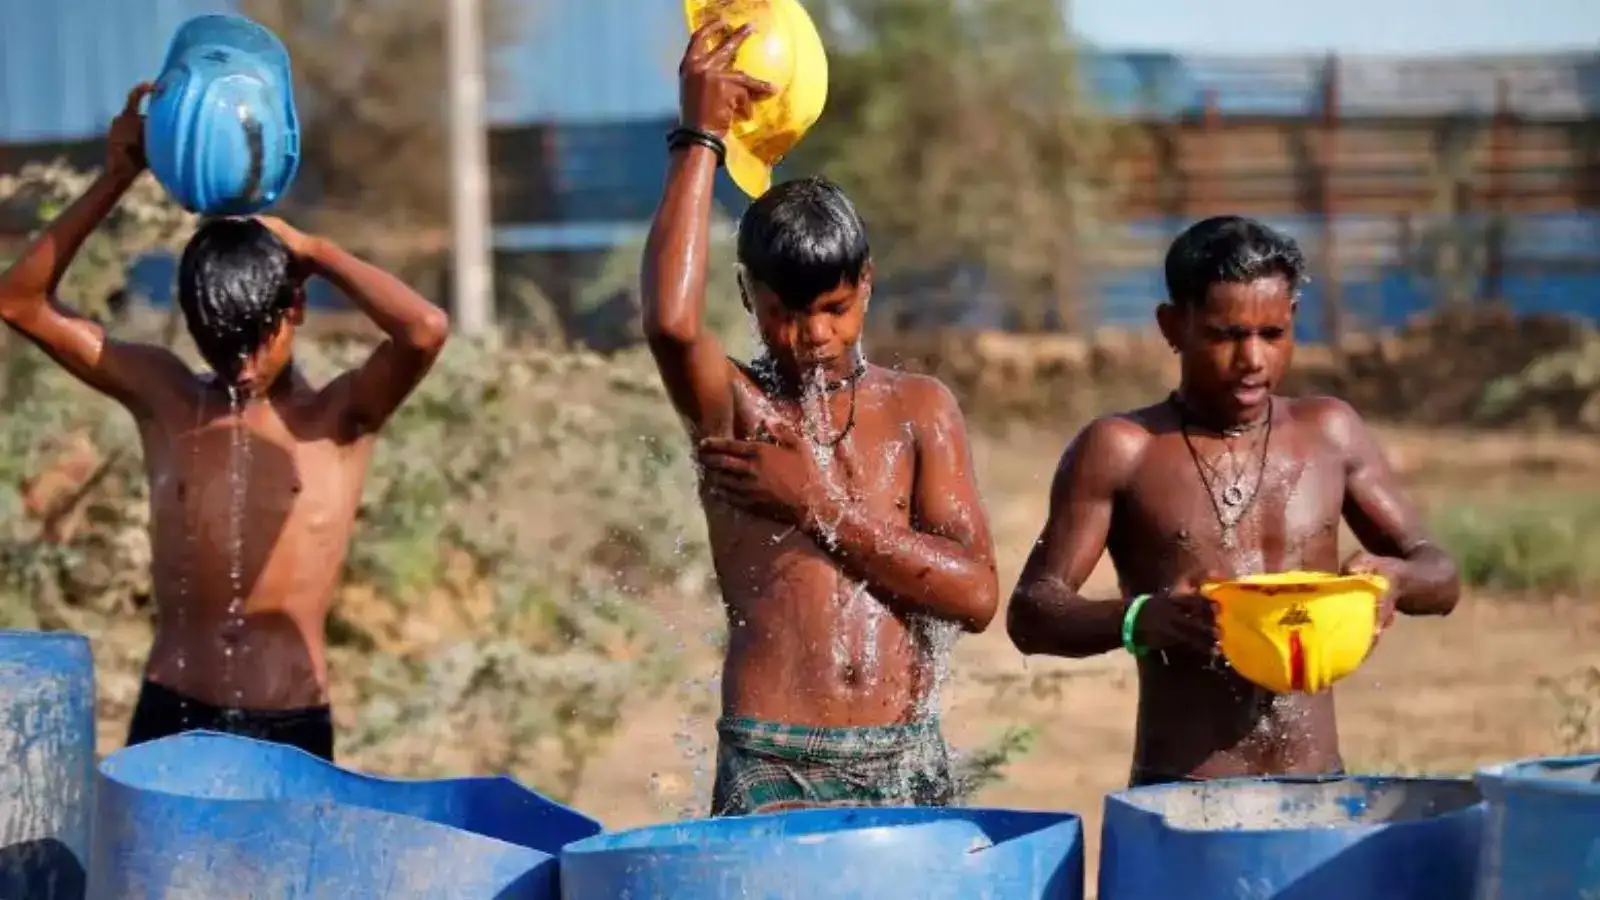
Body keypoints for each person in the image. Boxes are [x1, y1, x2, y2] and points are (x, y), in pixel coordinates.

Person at [0, 85, 450, 761]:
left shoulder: (342, 418)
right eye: (216, 342)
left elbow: (424, 329)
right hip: (172, 710)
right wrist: (118, 174)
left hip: (291, 724)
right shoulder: (165, 396)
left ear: (294, 308)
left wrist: (314, 249)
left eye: (252, 341)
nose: (236, 364)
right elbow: (20, 301)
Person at [646, 25, 1000, 816]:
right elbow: (669, 324)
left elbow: (976, 597)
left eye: (835, 309)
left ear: (866, 287)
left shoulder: (919, 410)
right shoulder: (738, 409)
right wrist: (698, 137)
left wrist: (820, 505)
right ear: (747, 300)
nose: (813, 336)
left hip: (902, 750)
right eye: (785, 314)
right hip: (773, 754)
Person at [1006, 215, 1461, 787]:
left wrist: (1395, 579)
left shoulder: (1330, 432)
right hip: (1184, 789)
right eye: (1226, 335)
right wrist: (1141, 618)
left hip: (1317, 785)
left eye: (1272, 335)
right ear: (1173, 327)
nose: (1252, 360)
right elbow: (1032, 612)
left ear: (1293, 322)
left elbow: (1440, 574)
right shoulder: (1123, 449)